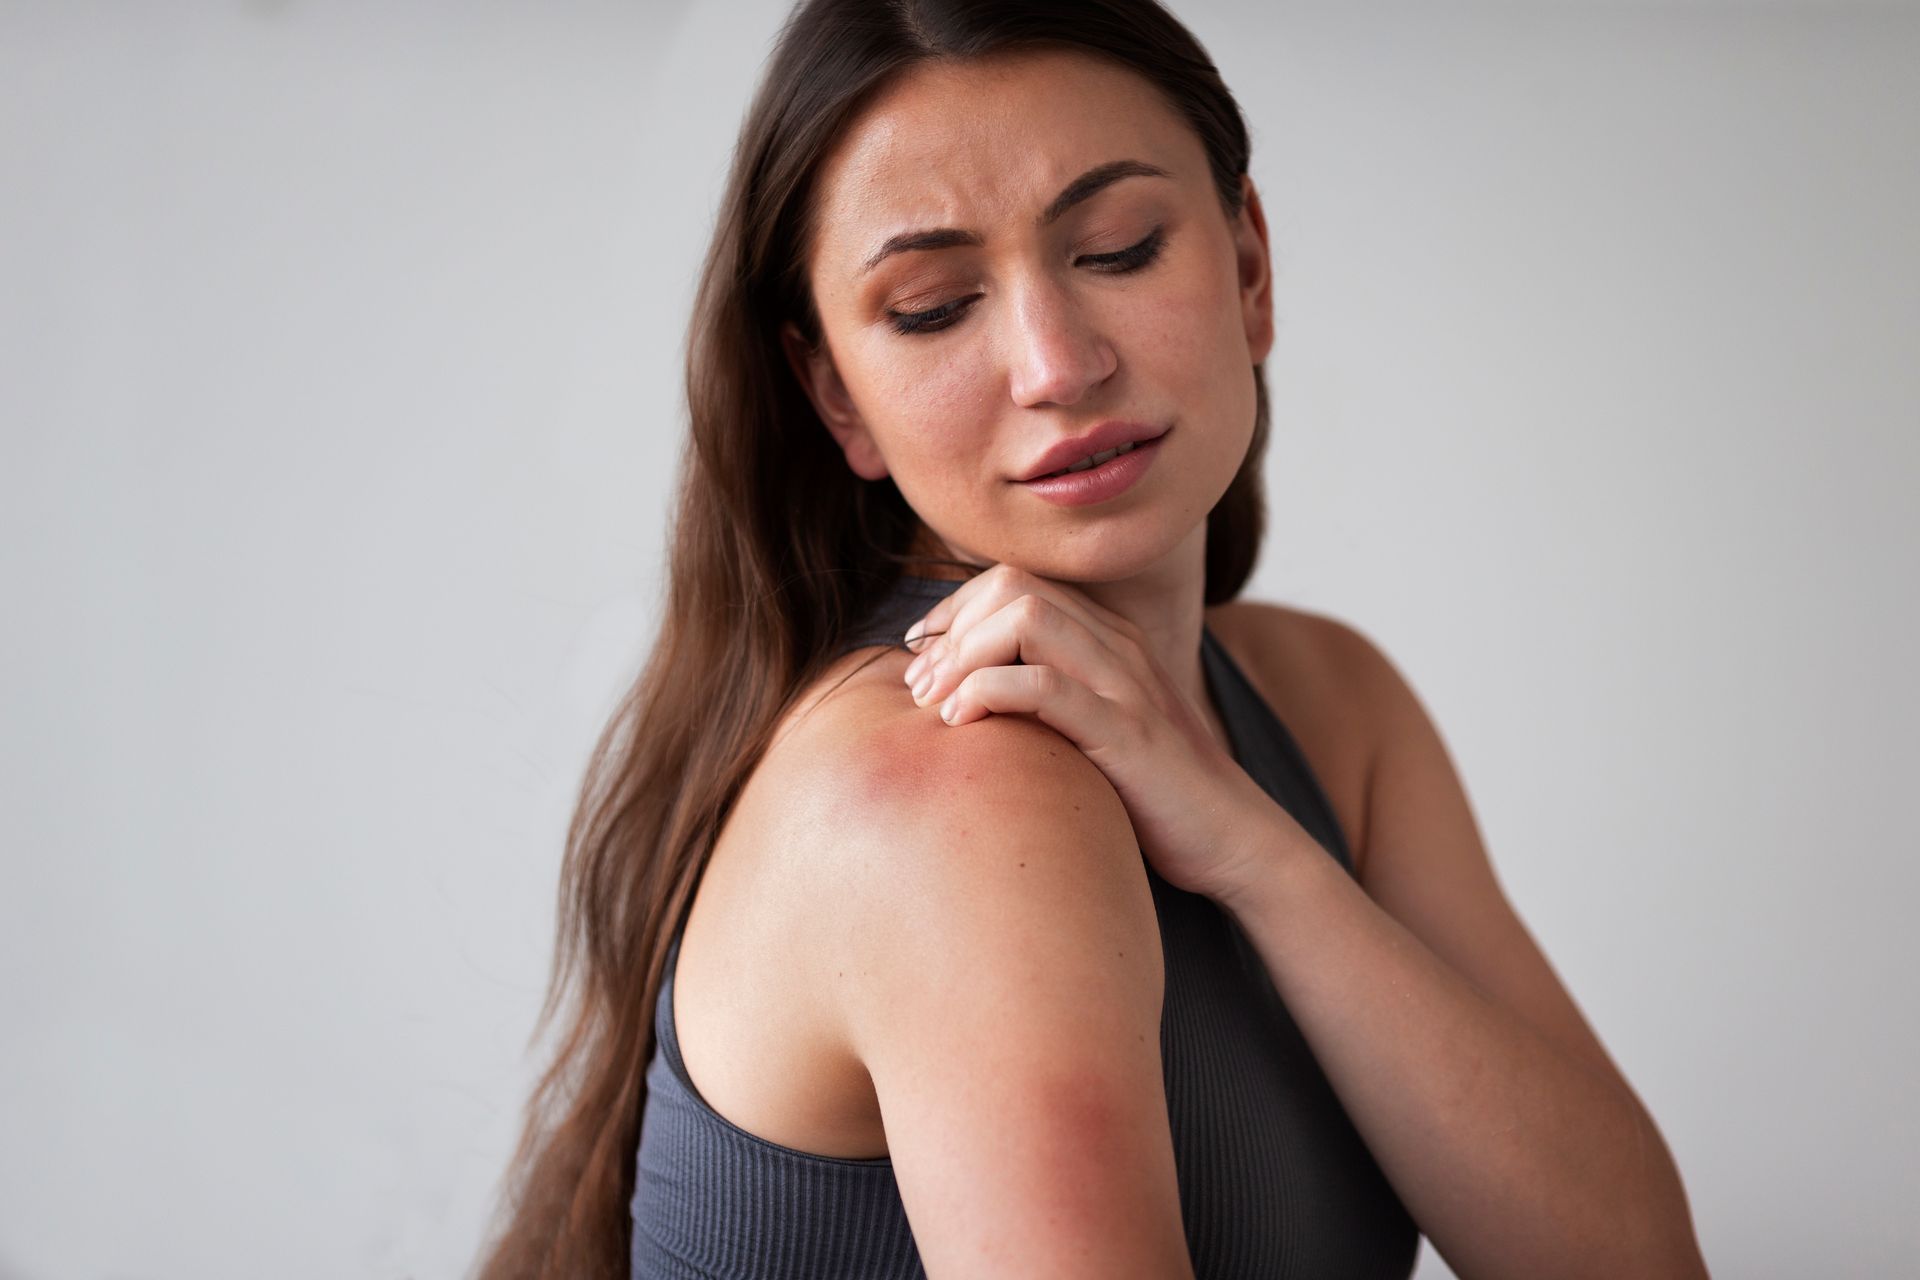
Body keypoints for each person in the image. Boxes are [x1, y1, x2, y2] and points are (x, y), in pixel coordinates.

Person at [477, 2, 1711, 1277]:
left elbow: (1638, 1258)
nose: (1057, 364)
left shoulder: (1331, 704)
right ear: (835, 392)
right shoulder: (957, 787)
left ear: (1249, 268)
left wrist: (1249, 841)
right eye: (934, 306)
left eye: (1118, 248)